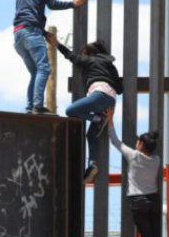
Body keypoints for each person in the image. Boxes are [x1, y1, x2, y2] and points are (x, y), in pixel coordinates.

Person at [48, 36, 122, 183]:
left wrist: (57, 44)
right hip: (110, 103)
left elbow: (71, 56)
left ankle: (99, 119)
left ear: (89, 53)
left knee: (70, 111)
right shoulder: (110, 65)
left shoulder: (90, 60)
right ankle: (92, 164)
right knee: (91, 135)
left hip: (99, 96)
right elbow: (119, 89)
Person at [13, 0, 88, 114]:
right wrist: (74, 4)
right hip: (31, 32)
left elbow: (28, 13)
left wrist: (45, 34)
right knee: (44, 68)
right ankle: (37, 107)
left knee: (36, 71)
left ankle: (30, 107)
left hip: (18, 34)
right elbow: (52, 4)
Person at [108, 121, 167, 237]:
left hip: (138, 201)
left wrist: (111, 122)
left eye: (137, 141)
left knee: (147, 235)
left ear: (140, 144)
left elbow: (115, 141)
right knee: (156, 234)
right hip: (153, 200)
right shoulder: (156, 160)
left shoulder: (133, 156)